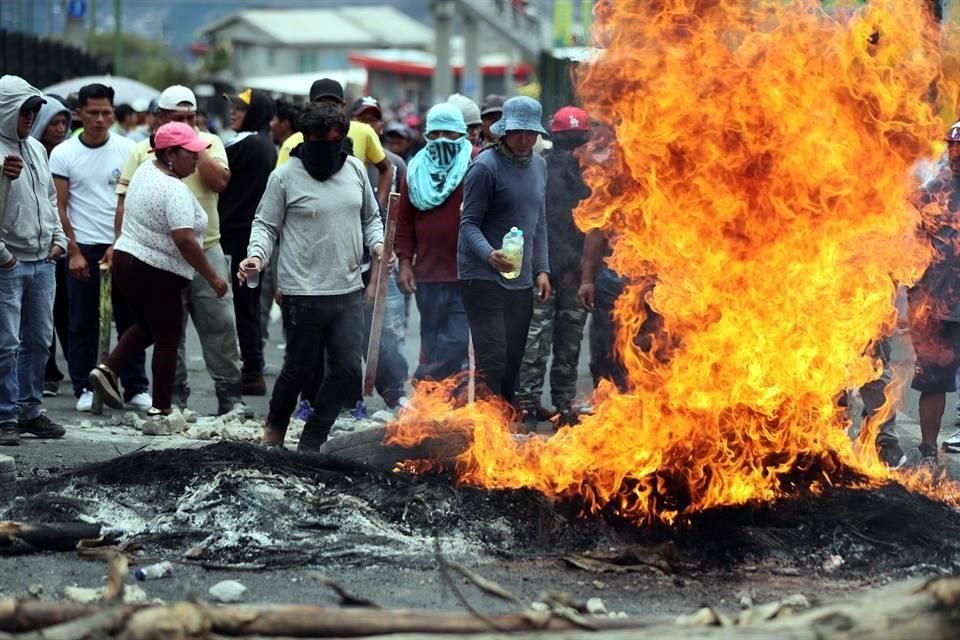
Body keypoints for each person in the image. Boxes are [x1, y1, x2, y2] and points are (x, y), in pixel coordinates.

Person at [240, 103, 385, 451]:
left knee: (348, 371)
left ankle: (313, 439)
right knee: (300, 369)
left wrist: (379, 245)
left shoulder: (354, 169)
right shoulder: (284, 176)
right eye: (321, 141)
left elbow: (371, 218)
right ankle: (274, 431)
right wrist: (256, 257)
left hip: (348, 287)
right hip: (301, 291)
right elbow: (266, 225)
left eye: (336, 141)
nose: (329, 150)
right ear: (305, 139)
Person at [116, 85, 242, 415]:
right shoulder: (143, 152)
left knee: (221, 325)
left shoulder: (210, 144)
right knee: (171, 332)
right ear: (160, 117)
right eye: (178, 118)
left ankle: (230, 395)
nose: (188, 123)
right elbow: (124, 204)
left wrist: (195, 147)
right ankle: (175, 397)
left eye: (191, 117)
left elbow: (221, 184)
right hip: (162, 258)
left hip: (207, 247)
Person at [89, 123, 228, 416]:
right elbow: (185, 240)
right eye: (190, 153)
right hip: (155, 270)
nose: (196, 158)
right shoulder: (173, 188)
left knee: (149, 328)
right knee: (168, 337)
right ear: (169, 154)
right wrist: (212, 276)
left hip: (129, 263)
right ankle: (162, 408)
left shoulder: (145, 171)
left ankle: (108, 368)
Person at [49, 83, 151, 412]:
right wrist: (73, 251)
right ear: (79, 113)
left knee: (130, 319)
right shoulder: (64, 153)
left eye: (106, 112)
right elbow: (60, 207)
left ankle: (135, 386)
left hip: (123, 246)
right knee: (82, 321)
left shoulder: (129, 149)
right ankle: (84, 387)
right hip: (83, 248)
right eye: (92, 113)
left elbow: (134, 202)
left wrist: (121, 242)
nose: (100, 119)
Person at [459, 96, 551, 406]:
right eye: (518, 133)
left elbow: (539, 223)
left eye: (531, 134)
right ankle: (487, 428)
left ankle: (503, 426)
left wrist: (542, 270)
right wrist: (488, 253)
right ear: (503, 132)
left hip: (521, 278)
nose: (525, 140)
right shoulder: (484, 167)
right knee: (493, 357)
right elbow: (468, 224)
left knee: (514, 357)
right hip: (482, 276)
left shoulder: (540, 166)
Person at [0, 76, 68, 446]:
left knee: (40, 341)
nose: (30, 117)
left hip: (43, 261)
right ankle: (5, 414)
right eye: (23, 110)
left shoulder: (37, 151)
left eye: (34, 111)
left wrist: (59, 240)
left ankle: (30, 410)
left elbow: (49, 199)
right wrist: (3, 256)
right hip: (8, 263)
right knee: (6, 343)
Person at [516, 107, 592, 426]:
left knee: (550, 343)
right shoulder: (542, 172)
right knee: (550, 343)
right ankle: (542, 403)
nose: (572, 147)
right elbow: (533, 225)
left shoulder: (549, 170)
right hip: (550, 273)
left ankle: (549, 403)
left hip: (562, 273)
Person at [396, 103, 472, 382]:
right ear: (427, 135)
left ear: (462, 135)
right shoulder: (415, 172)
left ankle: (422, 380)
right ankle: (438, 407)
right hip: (427, 274)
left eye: (450, 134)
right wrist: (405, 263)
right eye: (436, 133)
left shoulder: (474, 165)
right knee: (432, 341)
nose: (442, 139)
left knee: (457, 340)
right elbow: (404, 223)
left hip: (465, 273)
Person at [905, 121, 960, 467]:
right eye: (954, 148)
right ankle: (927, 451)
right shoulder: (932, 192)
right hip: (936, 307)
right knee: (932, 382)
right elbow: (911, 244)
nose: (956, 156)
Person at [219, 88, 277, 396]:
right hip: (254, 240)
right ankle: (253, 368)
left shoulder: (242, 145)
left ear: (254, 113)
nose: (233, 112)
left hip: (236, 242)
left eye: (240, 108)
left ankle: (251, 370)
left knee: (242, 305)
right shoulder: (267, 145)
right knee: (250, 304)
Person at [276, 79, 392, 212]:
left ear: (343, 105)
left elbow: (386, 168)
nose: (328, 109)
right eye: (321, 103)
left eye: (333, 104)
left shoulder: (363, 132)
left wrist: (378, 208)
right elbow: (279, 190)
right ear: (310, 106)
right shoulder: (292, 143)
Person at [30, 95, 72, 398]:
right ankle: (45, 374)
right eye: (53, 122)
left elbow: (55, 203)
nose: (59, 129)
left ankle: (72, 369)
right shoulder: (26, 152)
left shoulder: (66, 154)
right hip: (24, 251)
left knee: (61, 313)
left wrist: (61, 241)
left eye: (63, 123)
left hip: (57, 247)